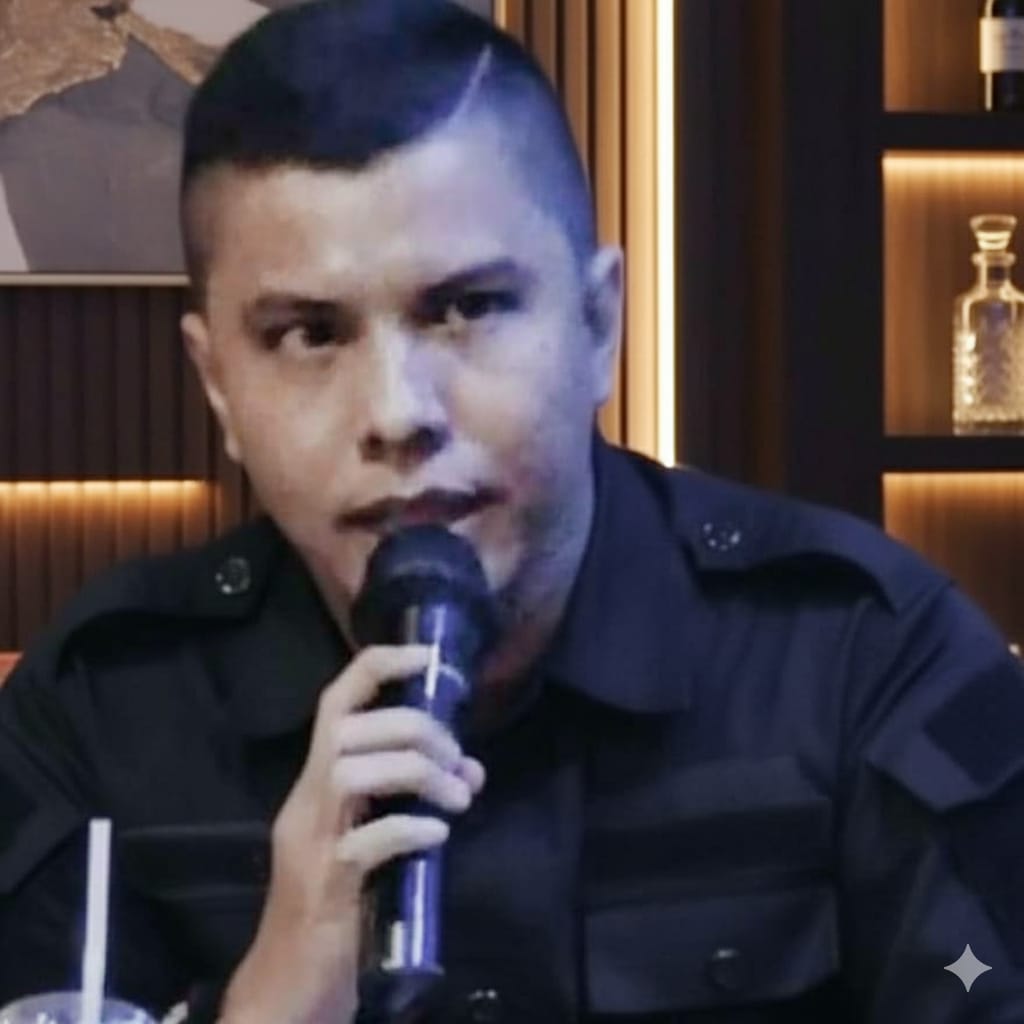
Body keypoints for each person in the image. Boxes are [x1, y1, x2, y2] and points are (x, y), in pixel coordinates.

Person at [2, 1, 1024, 1021]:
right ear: (219, 386)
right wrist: (277, 998)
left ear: (598, 324)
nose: (398, 413)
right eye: (310, 334)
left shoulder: (858, 655)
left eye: (467, 308)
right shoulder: (102, 710)